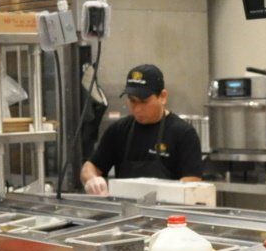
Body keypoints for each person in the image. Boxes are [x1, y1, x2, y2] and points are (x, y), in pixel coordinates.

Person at [81, 63, 203, 195]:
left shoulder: (183, 133)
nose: (137, 108)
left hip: (167, 211)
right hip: (126, 212)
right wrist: (92, 179)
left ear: (163, 97)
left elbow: (192, 180)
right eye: (132, 101)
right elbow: (91, 166)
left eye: (144, 101)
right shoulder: (118, 130)